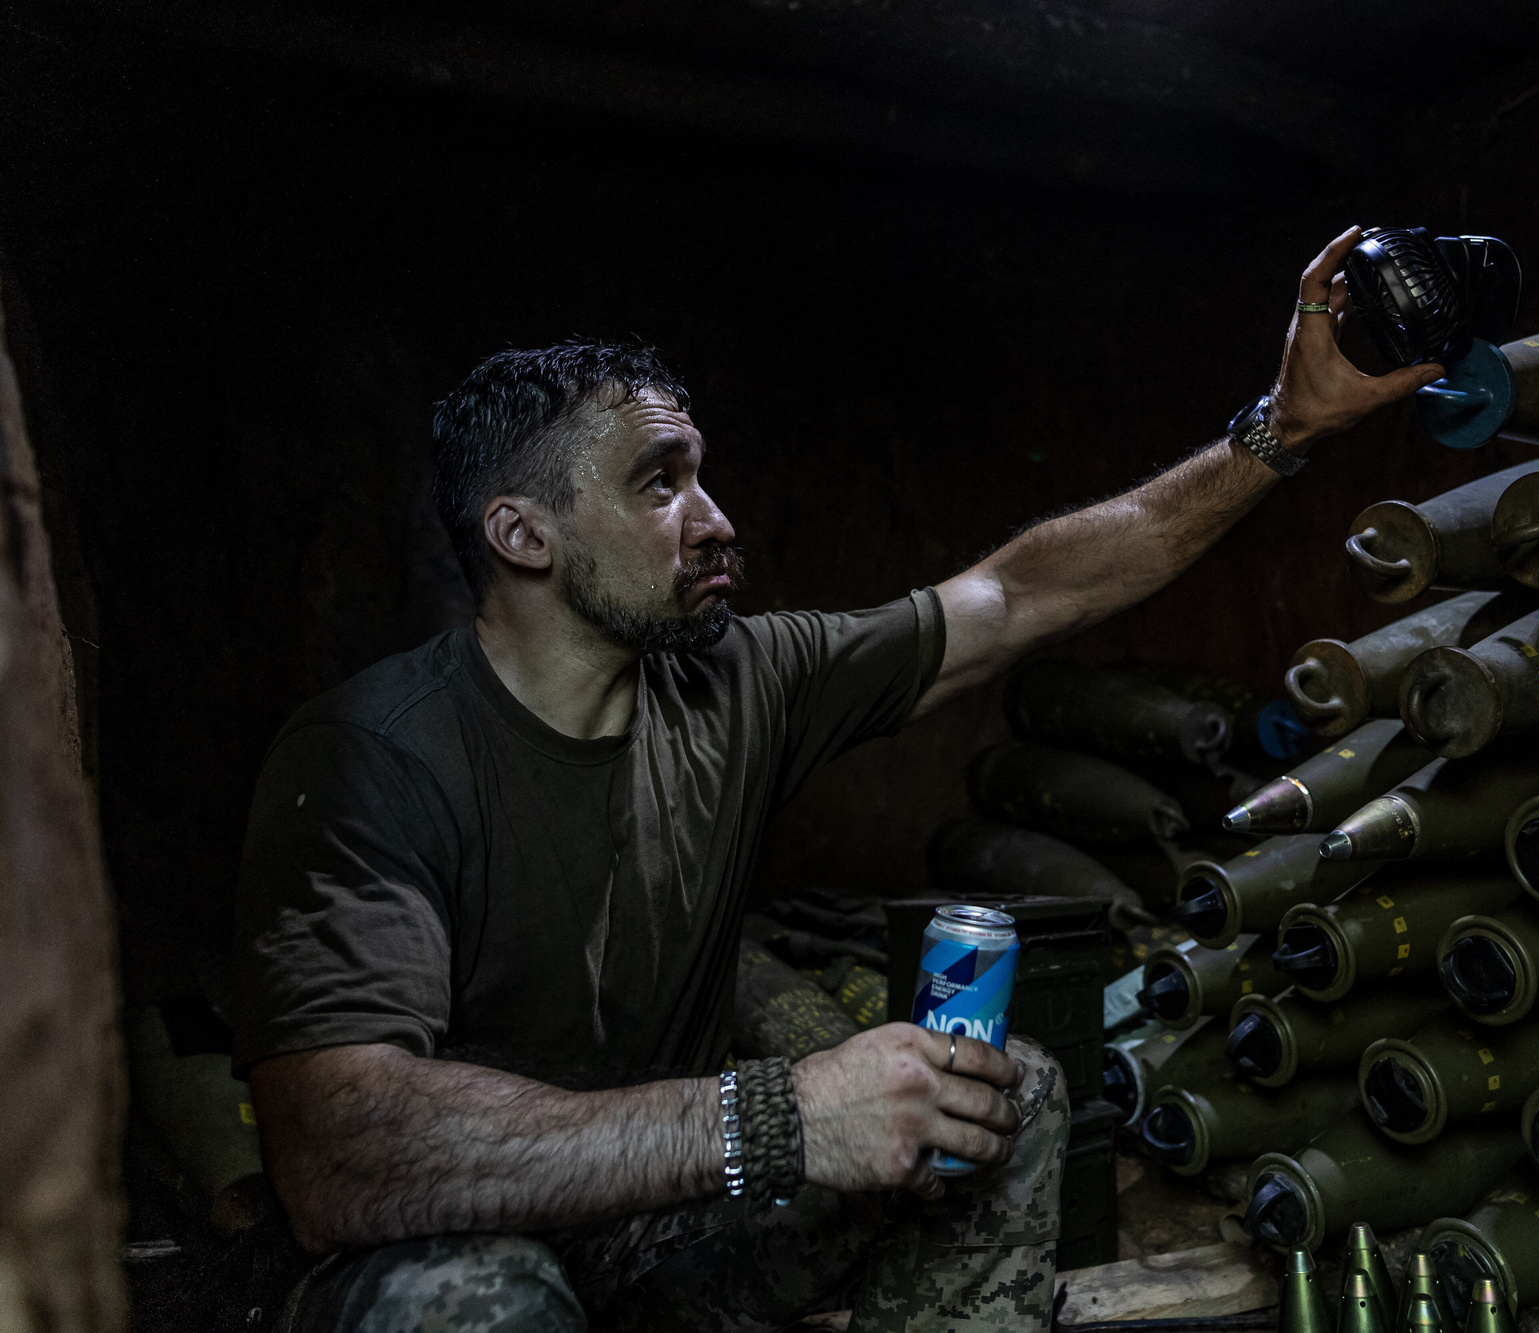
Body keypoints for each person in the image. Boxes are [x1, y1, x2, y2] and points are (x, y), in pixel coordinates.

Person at [233, 227, 1442, 1332]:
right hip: (462, 1234)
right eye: (659, 482)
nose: (713, 518)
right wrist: (777, 1115)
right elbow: (341, 1152)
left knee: (992, 1099)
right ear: (522, 535)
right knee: (467, 1303)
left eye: (701, 473)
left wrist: (1280, 426)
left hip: (665, 1222)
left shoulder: (735, 677)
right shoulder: (371, 755)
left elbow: (1019, 596)